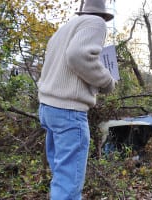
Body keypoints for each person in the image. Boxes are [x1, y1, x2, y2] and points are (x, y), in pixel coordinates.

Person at [38, 0, 115, 199]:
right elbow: (77, 56)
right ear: (103, 15)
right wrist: (106, 81)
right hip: (68, 113)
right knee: (69, 188)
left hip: (49, 109)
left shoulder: (65, 29)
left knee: (61, 178)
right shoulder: (96, 23)